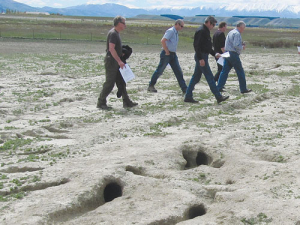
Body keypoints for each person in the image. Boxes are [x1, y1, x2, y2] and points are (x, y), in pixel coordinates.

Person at [184, 16, 229, 104]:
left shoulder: (205, 31)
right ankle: (218, 96)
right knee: (209, 77)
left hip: (203, 56)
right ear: (208, 22)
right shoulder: (201, 31)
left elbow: (207, 47)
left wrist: (215, 54)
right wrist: (200, 58)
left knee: (196, 78)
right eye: (213, 24)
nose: (213, 27)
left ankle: (188, 96)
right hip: (201, 57)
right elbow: (197, 45)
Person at [97, 16, 138, 110]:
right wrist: (119, 61)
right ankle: (101, 102)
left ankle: (126, 101)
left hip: (116, 61)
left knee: (121, 82)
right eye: (124, 23)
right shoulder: (113, 34)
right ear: (119, 23)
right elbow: (111, 49)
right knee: (110, 83)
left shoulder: (116, 33)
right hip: (112, 62)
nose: (125, 25)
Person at [147, 19, 187, 94]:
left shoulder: (176, 32)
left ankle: (184, 88)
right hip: (166, 54)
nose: (182, 28)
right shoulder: (171, 31)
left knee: (178, 71)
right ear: (177, 24)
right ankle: (151, 85)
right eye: (181, 26)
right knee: (160, 70)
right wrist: (166, 51)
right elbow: (163, 40)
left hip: (173, 54)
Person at [217, 21, 252, 94]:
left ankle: (219, 87)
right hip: (233, 54)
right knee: (240, 71)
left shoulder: (231, 32)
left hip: (227, 53)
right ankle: (243, 88)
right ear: (240, 27)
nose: (243, 30)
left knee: (224, 71)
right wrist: (242, 47)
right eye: (243, 28)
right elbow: (236, 45)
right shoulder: (237, 33)